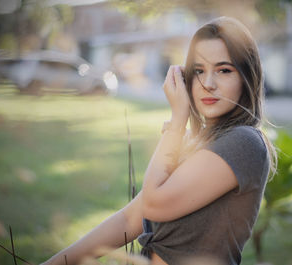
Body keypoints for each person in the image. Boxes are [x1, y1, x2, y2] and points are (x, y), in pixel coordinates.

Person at [41, 16, 276, 265]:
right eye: (198, 71)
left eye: (224, 70)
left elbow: (154, 205)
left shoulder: (244, 142)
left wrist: (177, 122)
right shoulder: (200, 143)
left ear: (246, 76)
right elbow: (129, 219)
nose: (208, 84)